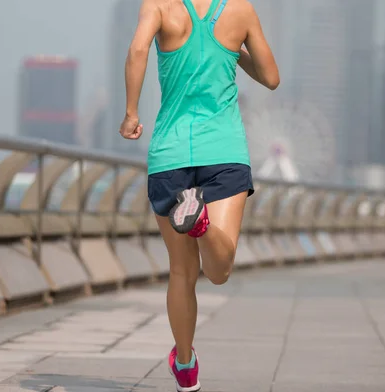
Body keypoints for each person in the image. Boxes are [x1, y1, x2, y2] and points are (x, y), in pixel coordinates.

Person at [119, 0, 278, 390]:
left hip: (170, 155)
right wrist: (233, 50)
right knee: (218, 271)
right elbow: (271, 78)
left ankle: (185, 364)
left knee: (181, 271)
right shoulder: (240, 10)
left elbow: (138, 49)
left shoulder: (158, 6)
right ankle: (202, 223)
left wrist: (131, 112)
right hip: (224, 152)